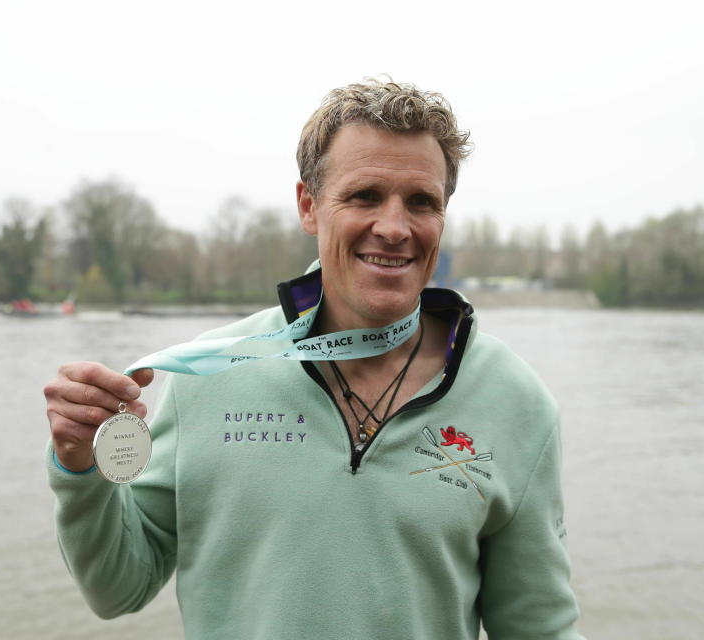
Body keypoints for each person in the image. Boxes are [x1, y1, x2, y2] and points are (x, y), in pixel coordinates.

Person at [44, 79, 584, 639]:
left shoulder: (515, 401)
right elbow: (117, 588)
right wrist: (81, 467)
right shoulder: (206, 377)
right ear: (309, 205)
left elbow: (538, 627)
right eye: (365, 196)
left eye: (421, 202)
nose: (395, 228)